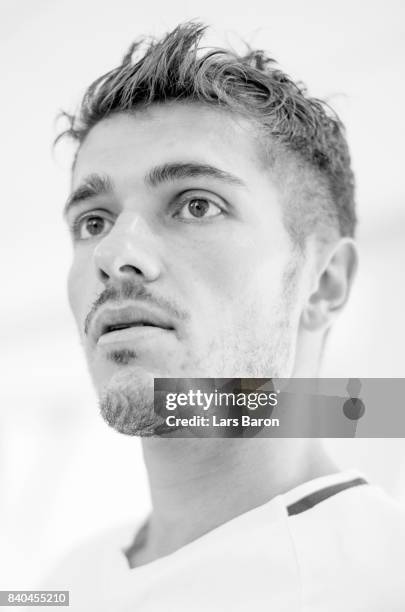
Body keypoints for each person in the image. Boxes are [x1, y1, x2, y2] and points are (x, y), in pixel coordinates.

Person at [43, 21, 405, 611]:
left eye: (196, 204)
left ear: (325, 284)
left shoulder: (384, 583)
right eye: (94, 221)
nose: (113, 255)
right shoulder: (62, 580)